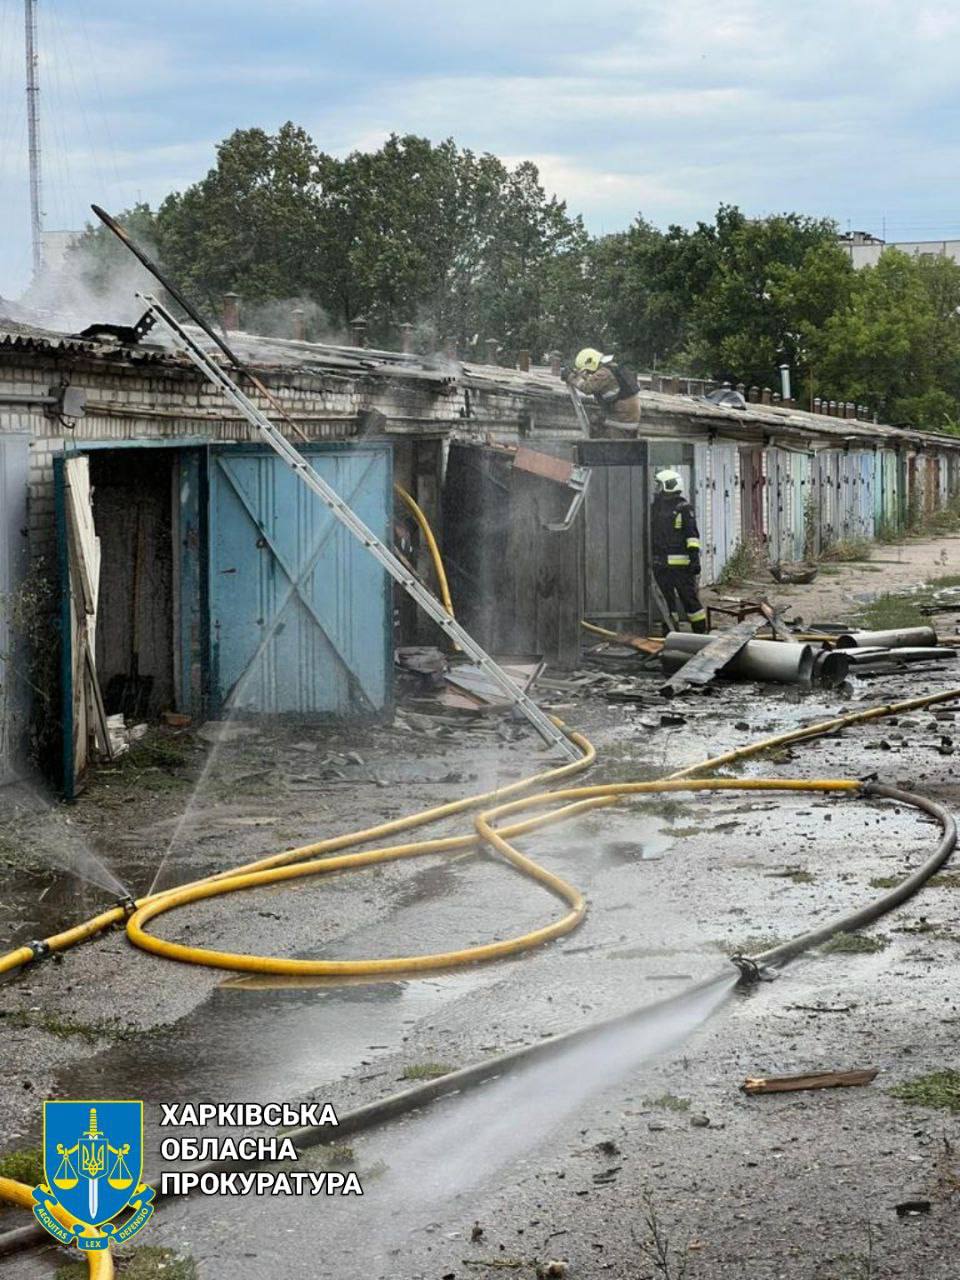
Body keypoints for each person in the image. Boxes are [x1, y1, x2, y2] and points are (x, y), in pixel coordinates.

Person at [650, 469, 707, 633]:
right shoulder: (656, 508)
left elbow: (692, 537)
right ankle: (669, 631)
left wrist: (694, 560)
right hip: (661, 565)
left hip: (682, 567)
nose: (657, 489)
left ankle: (700, 630)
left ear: (669, 485)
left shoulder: (684, 508)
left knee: (689, 599)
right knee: (667, 601)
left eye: (660, 485)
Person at [566, 348, 641, 426]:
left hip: (623, 419)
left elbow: (587, 388)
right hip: (628, 415)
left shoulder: (604, 373)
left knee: (596, 424)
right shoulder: (611, 368)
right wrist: (578, 375)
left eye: (587, 370)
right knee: (596, 419)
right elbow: (593, 381)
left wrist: (570, 377)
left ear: (592, 362)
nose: (588, 373)